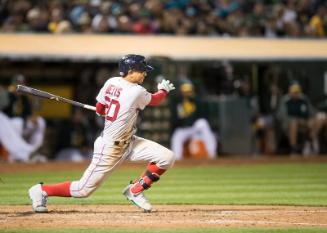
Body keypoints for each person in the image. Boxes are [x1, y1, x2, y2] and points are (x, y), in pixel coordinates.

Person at [28, 54, 176, 213]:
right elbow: (155, 100)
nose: (145, 74)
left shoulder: (111, 82)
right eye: (142, 71)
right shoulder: (137, 91)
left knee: (166, 157)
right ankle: (41, 190)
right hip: (110, 148)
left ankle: (135, 190)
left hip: (130, 141)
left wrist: (111, 112)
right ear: (131, 71)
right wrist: (163, 90)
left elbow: (100, 108)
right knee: (82, 190)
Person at [170, 82, 217, 160]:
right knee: (176, 137)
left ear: (192, 92)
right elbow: (176, 118)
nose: (187, 94)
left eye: (189, 92)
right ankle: (177, 159)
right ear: (182, 93)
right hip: (184, 127)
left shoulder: (198, 101)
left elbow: (203, 115)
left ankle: (212, 154)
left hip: (195, 126)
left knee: (203, 123)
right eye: (185, 92)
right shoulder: (178, 102)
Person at [276, 83, 316, 155]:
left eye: (297, 92)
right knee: (294, 122)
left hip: (304, 123)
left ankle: (310, 143)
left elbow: (312, 112)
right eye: (294, 92)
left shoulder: (304, 99)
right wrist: (295, 119)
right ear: (290, 92)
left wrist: (311, 119)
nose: (295, 94)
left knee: (321, 118)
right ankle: (293, 149)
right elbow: (280, 116)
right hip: (288, 124)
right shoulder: (286, 100)